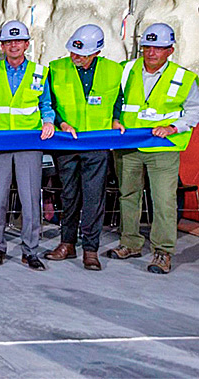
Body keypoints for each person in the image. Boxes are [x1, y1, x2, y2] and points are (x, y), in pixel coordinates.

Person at [109, 23, 199, 274]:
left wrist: (173, 127)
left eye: (158, 48)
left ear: (170, 50)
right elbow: (114, 99)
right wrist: (115, 118)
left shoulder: (183, 77)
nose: (151, 53)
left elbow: (194, 110)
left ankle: (162, 251)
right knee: (128, 195)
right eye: (147, 47)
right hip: (129, 146)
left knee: (163, 200)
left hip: (163, 147)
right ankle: (130, 243)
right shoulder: (126, 70)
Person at [44, 24, 123, 271]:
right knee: (69, 196)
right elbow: (49, 103)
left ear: (96, 52)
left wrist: (117, 118)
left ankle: (90, 249)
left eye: (81, 54)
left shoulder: (113, 71)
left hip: (97, 146)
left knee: (93, 198)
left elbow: (119, 100)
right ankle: (67, 244)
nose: (74, 57)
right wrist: (62, 123)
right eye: (73, 52)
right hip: (67, 144)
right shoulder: (56, 69)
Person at [0, 21, 54, 271]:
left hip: (28, 144)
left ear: (26, 44)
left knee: (30, 198)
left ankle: (30, 251)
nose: (14, 46)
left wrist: (48, 121)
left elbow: (46, 103)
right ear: (2, 46)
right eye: (8, 42)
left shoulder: (40, 72)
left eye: (18, 41)